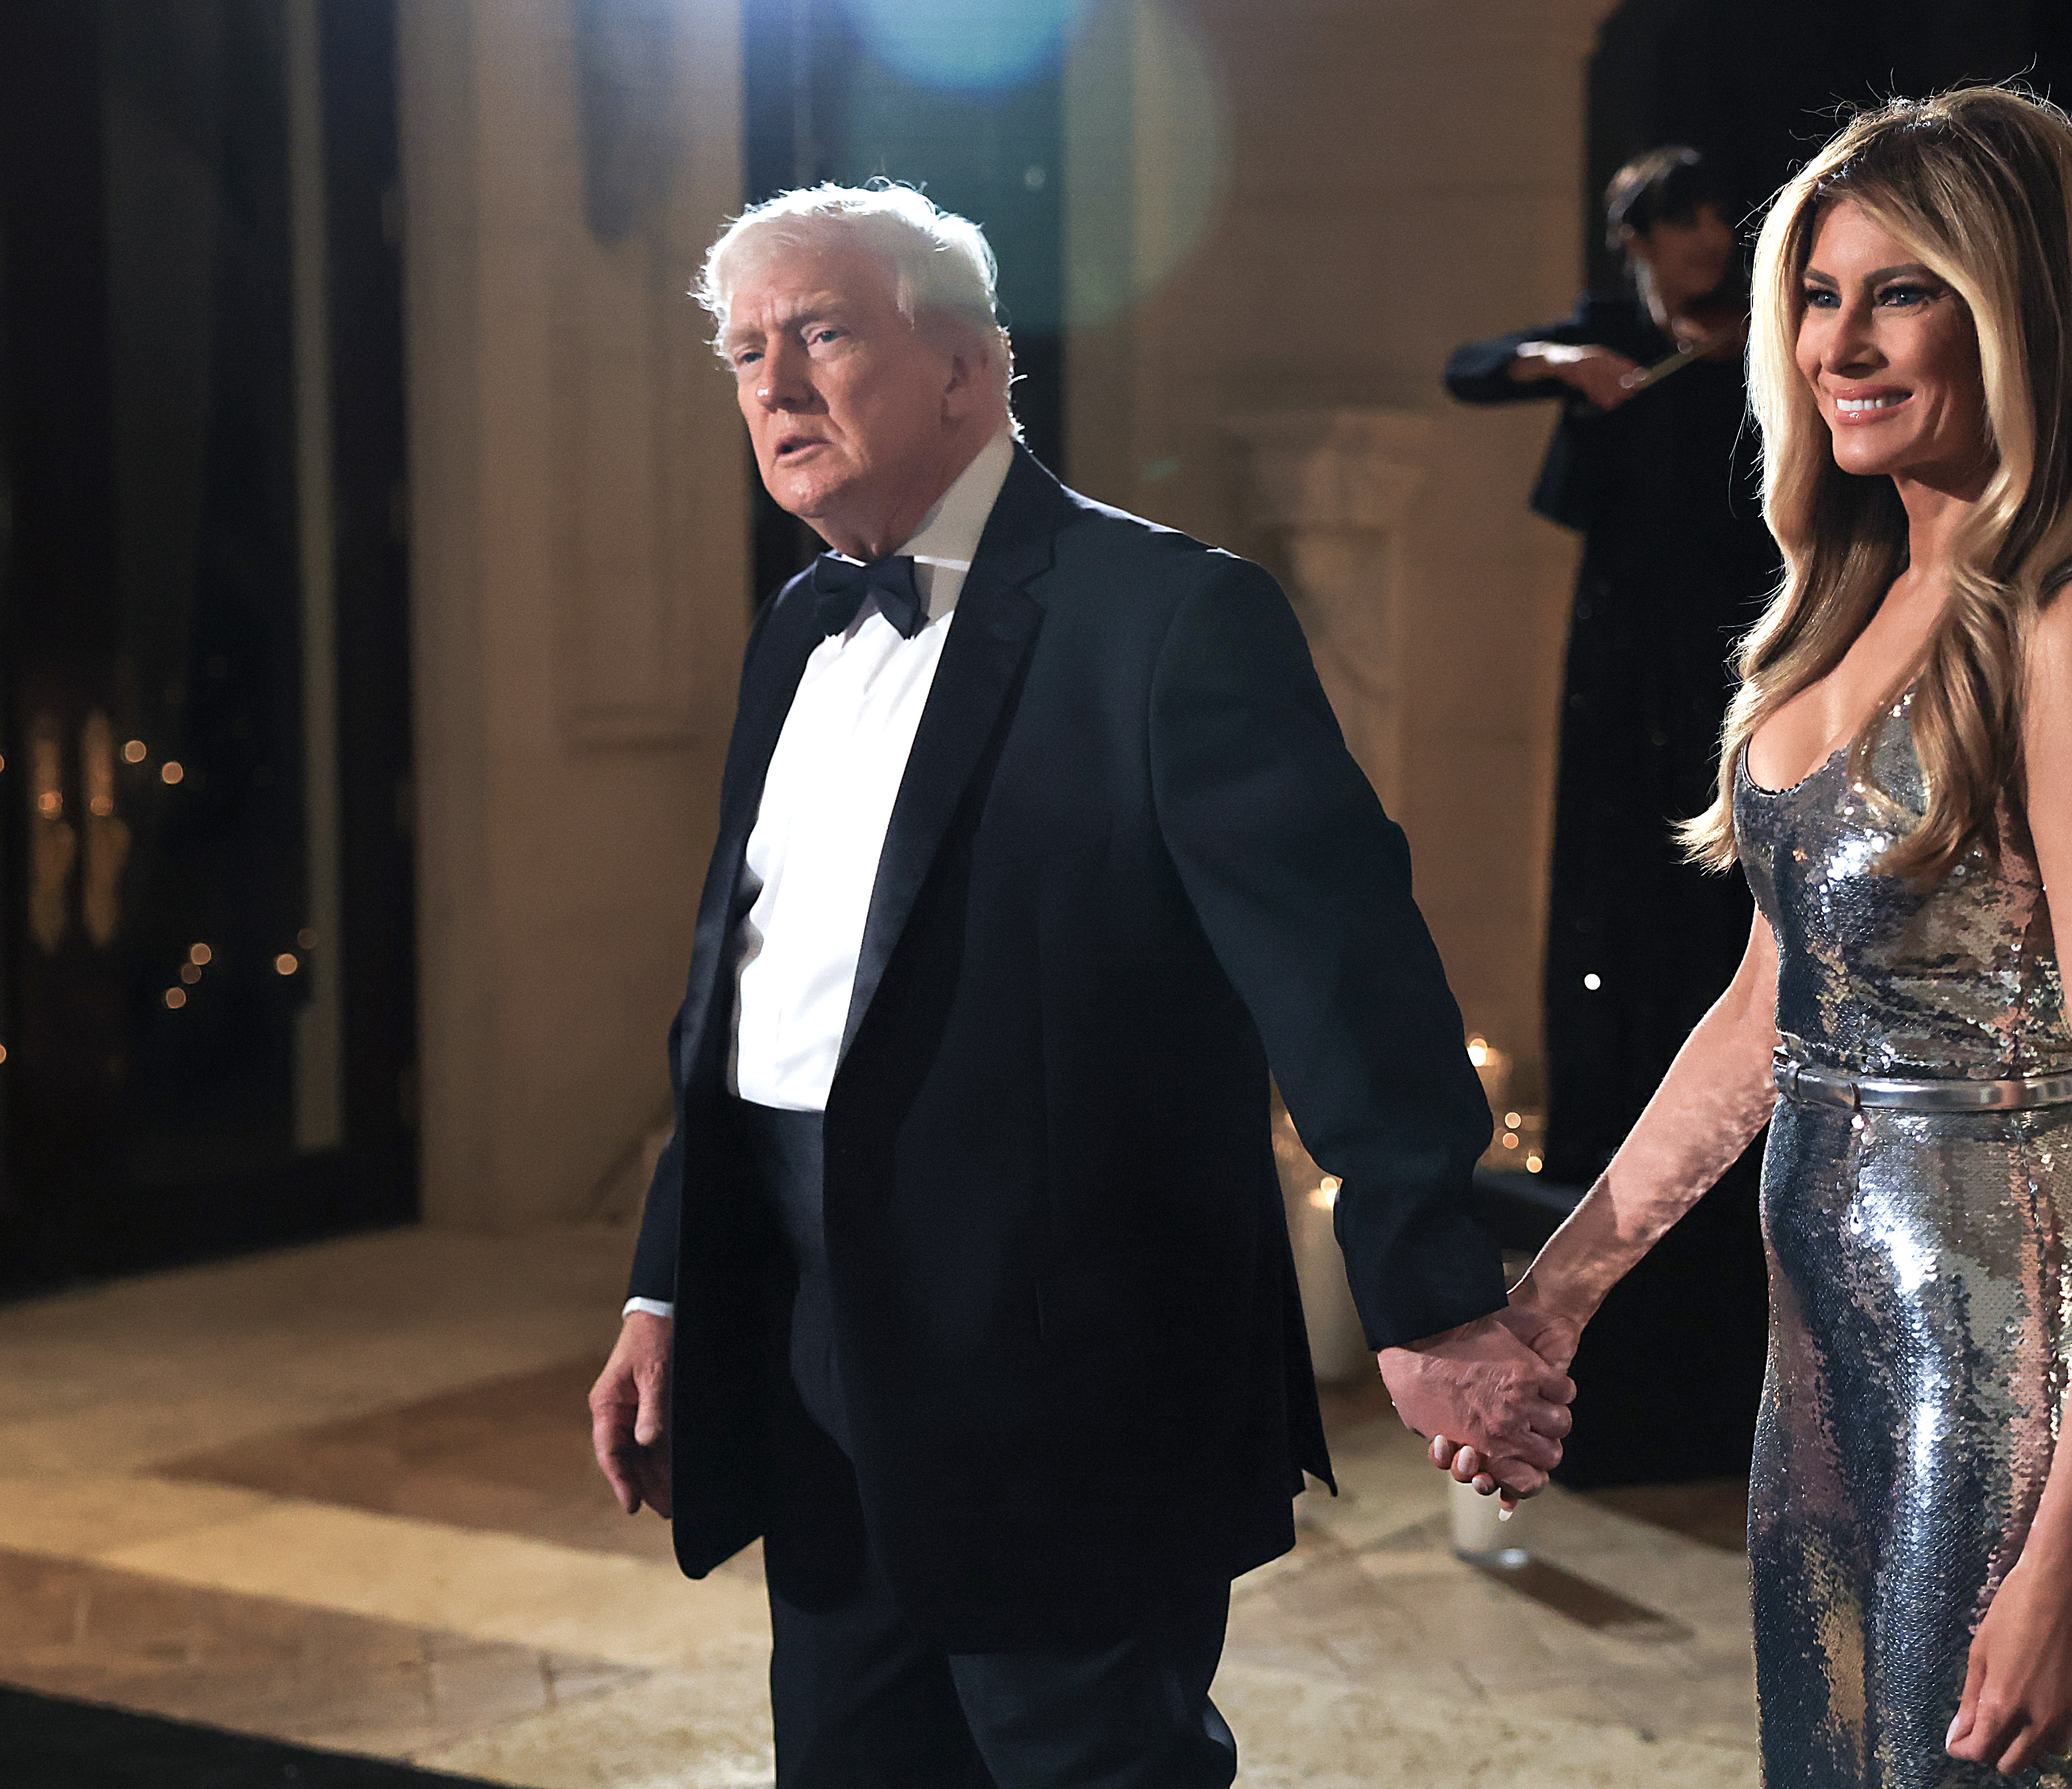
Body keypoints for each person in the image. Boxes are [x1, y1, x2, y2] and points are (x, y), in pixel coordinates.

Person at [585, 183, 1574, 1789]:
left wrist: (1432, 1295)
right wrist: (668, 1287)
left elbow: (1345, 974)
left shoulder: (1170, 620)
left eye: (822, 334)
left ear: (967, 367)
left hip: (1067, 1382)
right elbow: (744, 993)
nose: (772, 387)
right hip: (808, 1346)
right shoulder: (795, 630)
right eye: (745, 352)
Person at [1441, 88, 2072, 1785]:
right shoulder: (1835, 609)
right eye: (1817, 293)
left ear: (2019, 310)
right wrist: (1548, 1303)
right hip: (1820, 1332)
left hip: (2003, 1344)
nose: (1843, 343)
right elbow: (1765, 1016)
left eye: (1905, 292)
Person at [1442, 147, 1784, 1484]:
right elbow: (1466, 365)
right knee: (1612, 910)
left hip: (1728, 652)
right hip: (1620, 670)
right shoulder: (1606, 331)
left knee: (1715, 928)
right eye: (1681, 225)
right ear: (1639, 237)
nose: (1705, 244)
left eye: (1716, 222)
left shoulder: (1757, 336)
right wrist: (1551, 364)